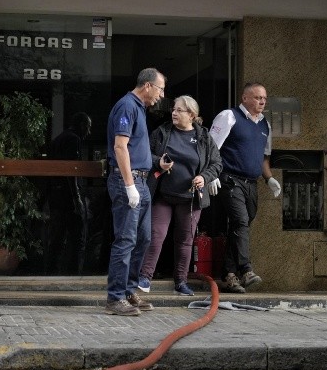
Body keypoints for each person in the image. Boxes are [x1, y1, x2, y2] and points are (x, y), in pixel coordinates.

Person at [137, 96, 223, 296]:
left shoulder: (204, 137)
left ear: (191, 115)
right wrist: (159, 162)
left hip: (191, 198)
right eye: (173, 110)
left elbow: (217, 163)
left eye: (179, 110)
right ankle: (145, 277)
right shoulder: (162, 132)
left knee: (185, 240)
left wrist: (204, 177)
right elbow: (145, 154)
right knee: (156, 235)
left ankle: (181, 282)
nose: (174, 113)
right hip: (163, 194)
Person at [207, 82, 282, 293]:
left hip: (251, 183)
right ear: (245, 98)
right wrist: (211, 174)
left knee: (241, 226)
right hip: (229, 179)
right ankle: (246, 270)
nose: (262, 102)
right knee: (240, 221)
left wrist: (269, 178)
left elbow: (264, 158)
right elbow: (211, 148)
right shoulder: (229, 116)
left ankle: (229, 274)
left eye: (264, 98)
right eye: (258, 97)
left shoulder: (265, 125)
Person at [105, 68, 166, 316]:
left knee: (143, 239)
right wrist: (130, 186)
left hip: (142, 181)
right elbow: (120, 147)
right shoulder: (127, 106)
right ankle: (115, 298)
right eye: (160, 89)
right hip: (127, 181)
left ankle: (129, 291)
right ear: (148, 86)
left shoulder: (139, 108)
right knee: (126, 240)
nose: (162, 95)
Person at [46, 112, 91, 275]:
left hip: (56, 196)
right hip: (68, 198)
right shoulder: (74, 139)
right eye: (88, 127)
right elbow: (71, 171)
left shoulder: (58, 139)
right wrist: (77, 198)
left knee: (57, 239)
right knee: (78, 239)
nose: (89, 132)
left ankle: (51, 273)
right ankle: (74, 275)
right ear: (82, 125)